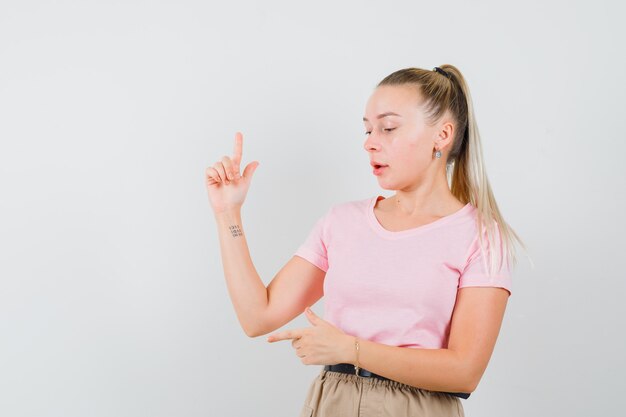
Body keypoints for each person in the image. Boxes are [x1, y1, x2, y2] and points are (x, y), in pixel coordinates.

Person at [204, 65, 528, 417]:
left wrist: (350, 349)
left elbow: (465, 372)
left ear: (442, 135)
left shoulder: (481, 237)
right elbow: (258, 316)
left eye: (388, 128)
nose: (370, 142)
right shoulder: (341, 222)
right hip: (333, 404)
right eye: (368, 129)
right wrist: (228, 214)